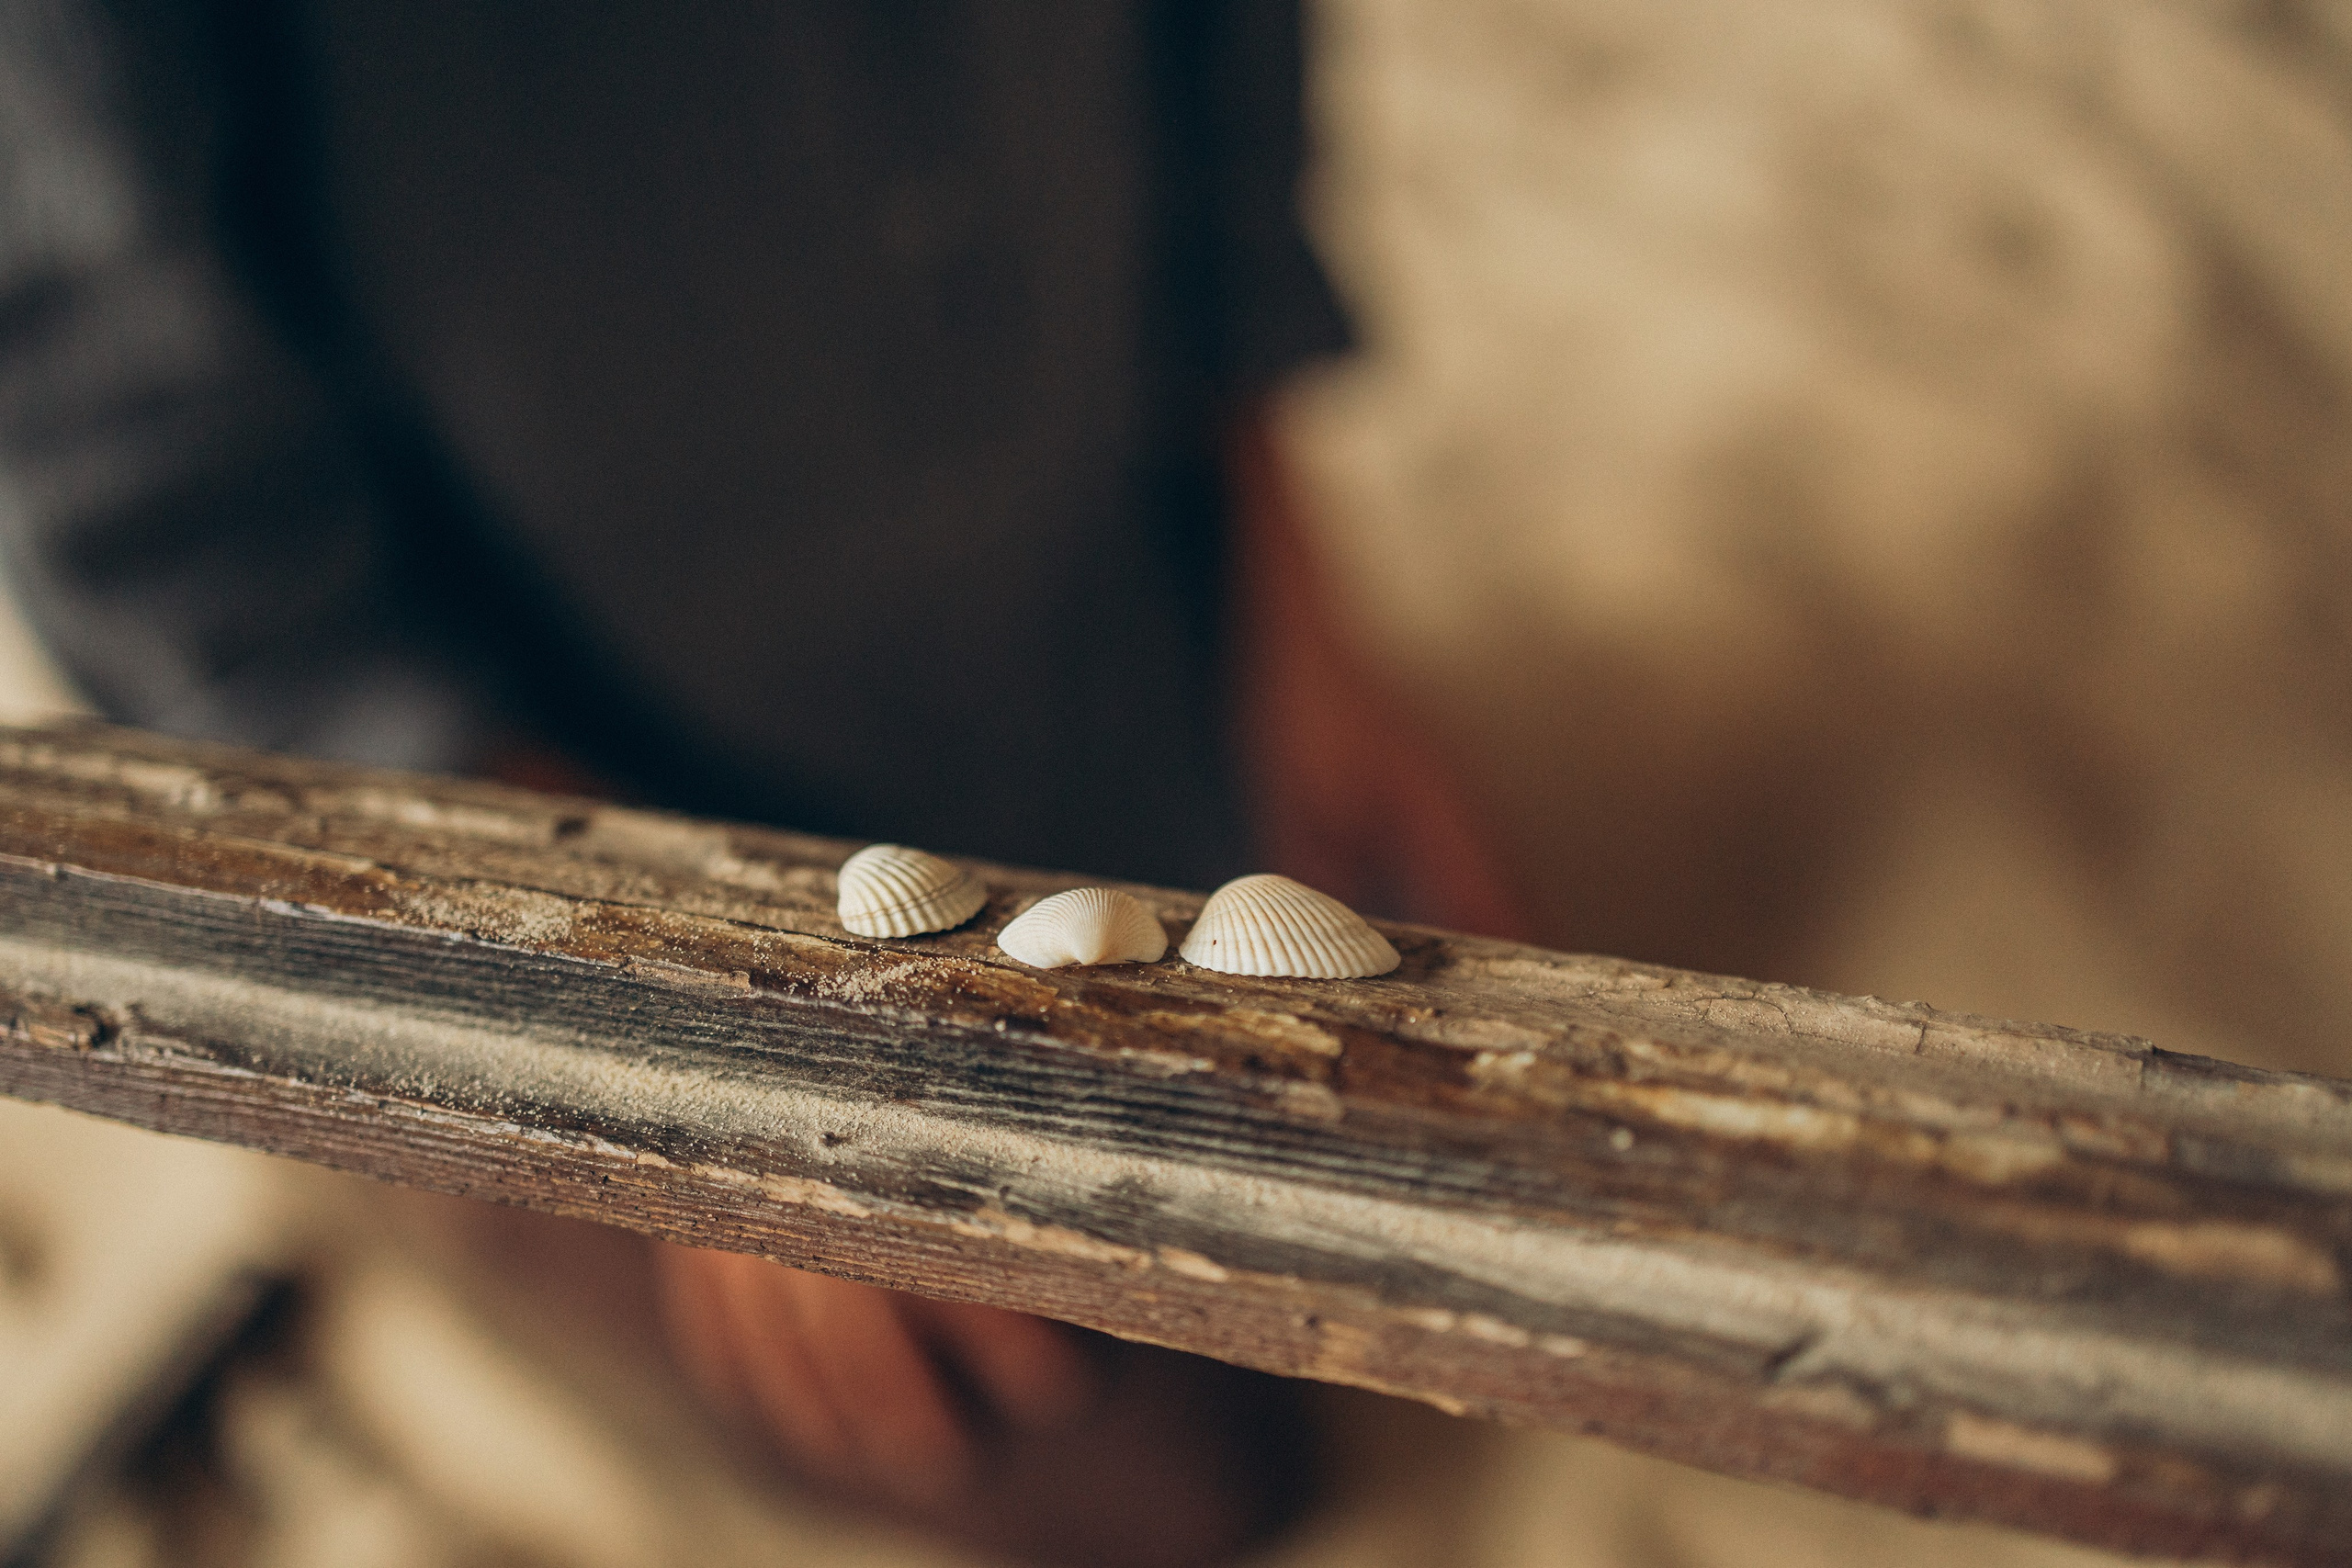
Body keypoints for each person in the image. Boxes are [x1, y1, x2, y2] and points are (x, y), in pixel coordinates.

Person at [0, 4, 1522, 1563]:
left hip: (1110, 627)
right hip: (552, 833)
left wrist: (1288, 599)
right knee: (1163, 1478)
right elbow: (154, 497)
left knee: (1473, 1164)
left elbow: (1219, 44)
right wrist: (671, 1051)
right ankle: (435, 1202)